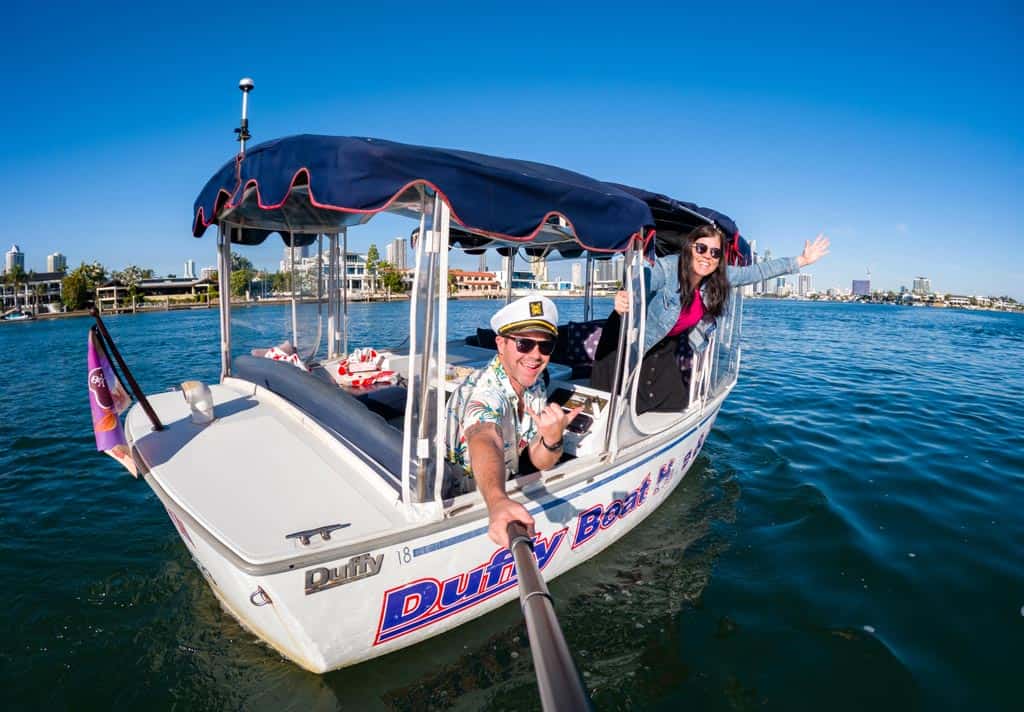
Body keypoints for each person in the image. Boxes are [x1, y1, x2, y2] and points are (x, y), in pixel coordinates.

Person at [591, 225, 830, 412]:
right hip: (628, 335)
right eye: (701, 248)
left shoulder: (716, 277)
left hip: (664, 344)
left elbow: (756, 272)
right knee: (611, 399)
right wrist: (627, 295)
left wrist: (801, 260)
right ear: (690, 248)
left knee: (674, 401)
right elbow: (643, 279)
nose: (707, 256)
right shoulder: (667, 268)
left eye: (715, 252)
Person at [446, 295, 582, 548]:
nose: (536, 355)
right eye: (524, 344)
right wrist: (498, 501)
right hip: (466, 499)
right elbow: (484, 437)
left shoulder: (535, 383)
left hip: (509, 479)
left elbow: (537, 459)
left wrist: (552, 439)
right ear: (501, 344)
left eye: (546, 346)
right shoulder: (486, 392)